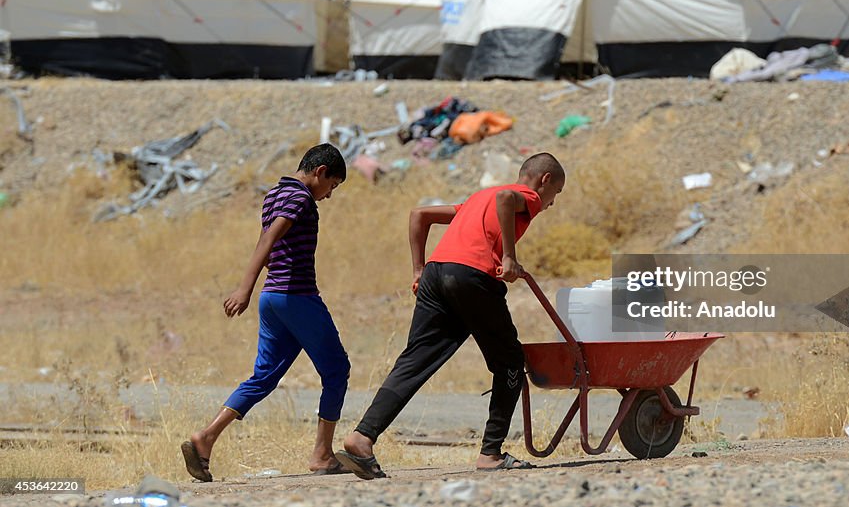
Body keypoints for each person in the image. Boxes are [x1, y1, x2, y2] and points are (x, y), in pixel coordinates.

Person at [338, 152, 565, 478]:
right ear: (544, 181)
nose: (551, 203)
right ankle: (490, 454)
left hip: (436, 274)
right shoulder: (523, 195)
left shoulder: (476, 199)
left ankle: (362, 437)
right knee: (510, 361)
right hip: (472, 276)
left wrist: (418, 268)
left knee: (415, 358)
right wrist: (510, 258)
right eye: (555, 193)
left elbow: (420, 214)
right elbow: (506, 197)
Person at [181, 143, 351, 481]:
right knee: (336, 370)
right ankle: (322, 455)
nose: (329, 195)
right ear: (320, 173)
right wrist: (244, 287)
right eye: (332, 185)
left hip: (272, 298)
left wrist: (254, 289)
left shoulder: (276, 192)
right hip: (296, 297)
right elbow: (269, 238)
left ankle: (206, 437)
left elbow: (266, 237)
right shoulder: (300, 197)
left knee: (264, 376)